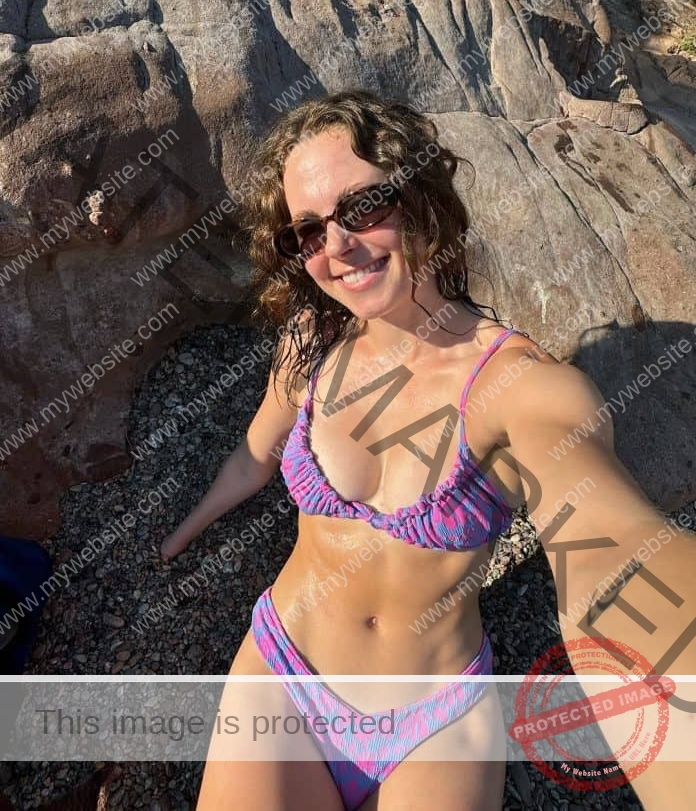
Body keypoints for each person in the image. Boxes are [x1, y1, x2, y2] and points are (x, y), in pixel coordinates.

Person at [165, 90, 695, 810]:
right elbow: (256, 455)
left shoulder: (523, 390)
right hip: (285, 674)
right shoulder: (309, 347)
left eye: (361, 208)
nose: (337, 246)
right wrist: (181, 534)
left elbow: (617, 558)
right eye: (307, 232)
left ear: (417, 195)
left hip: (435, 720)